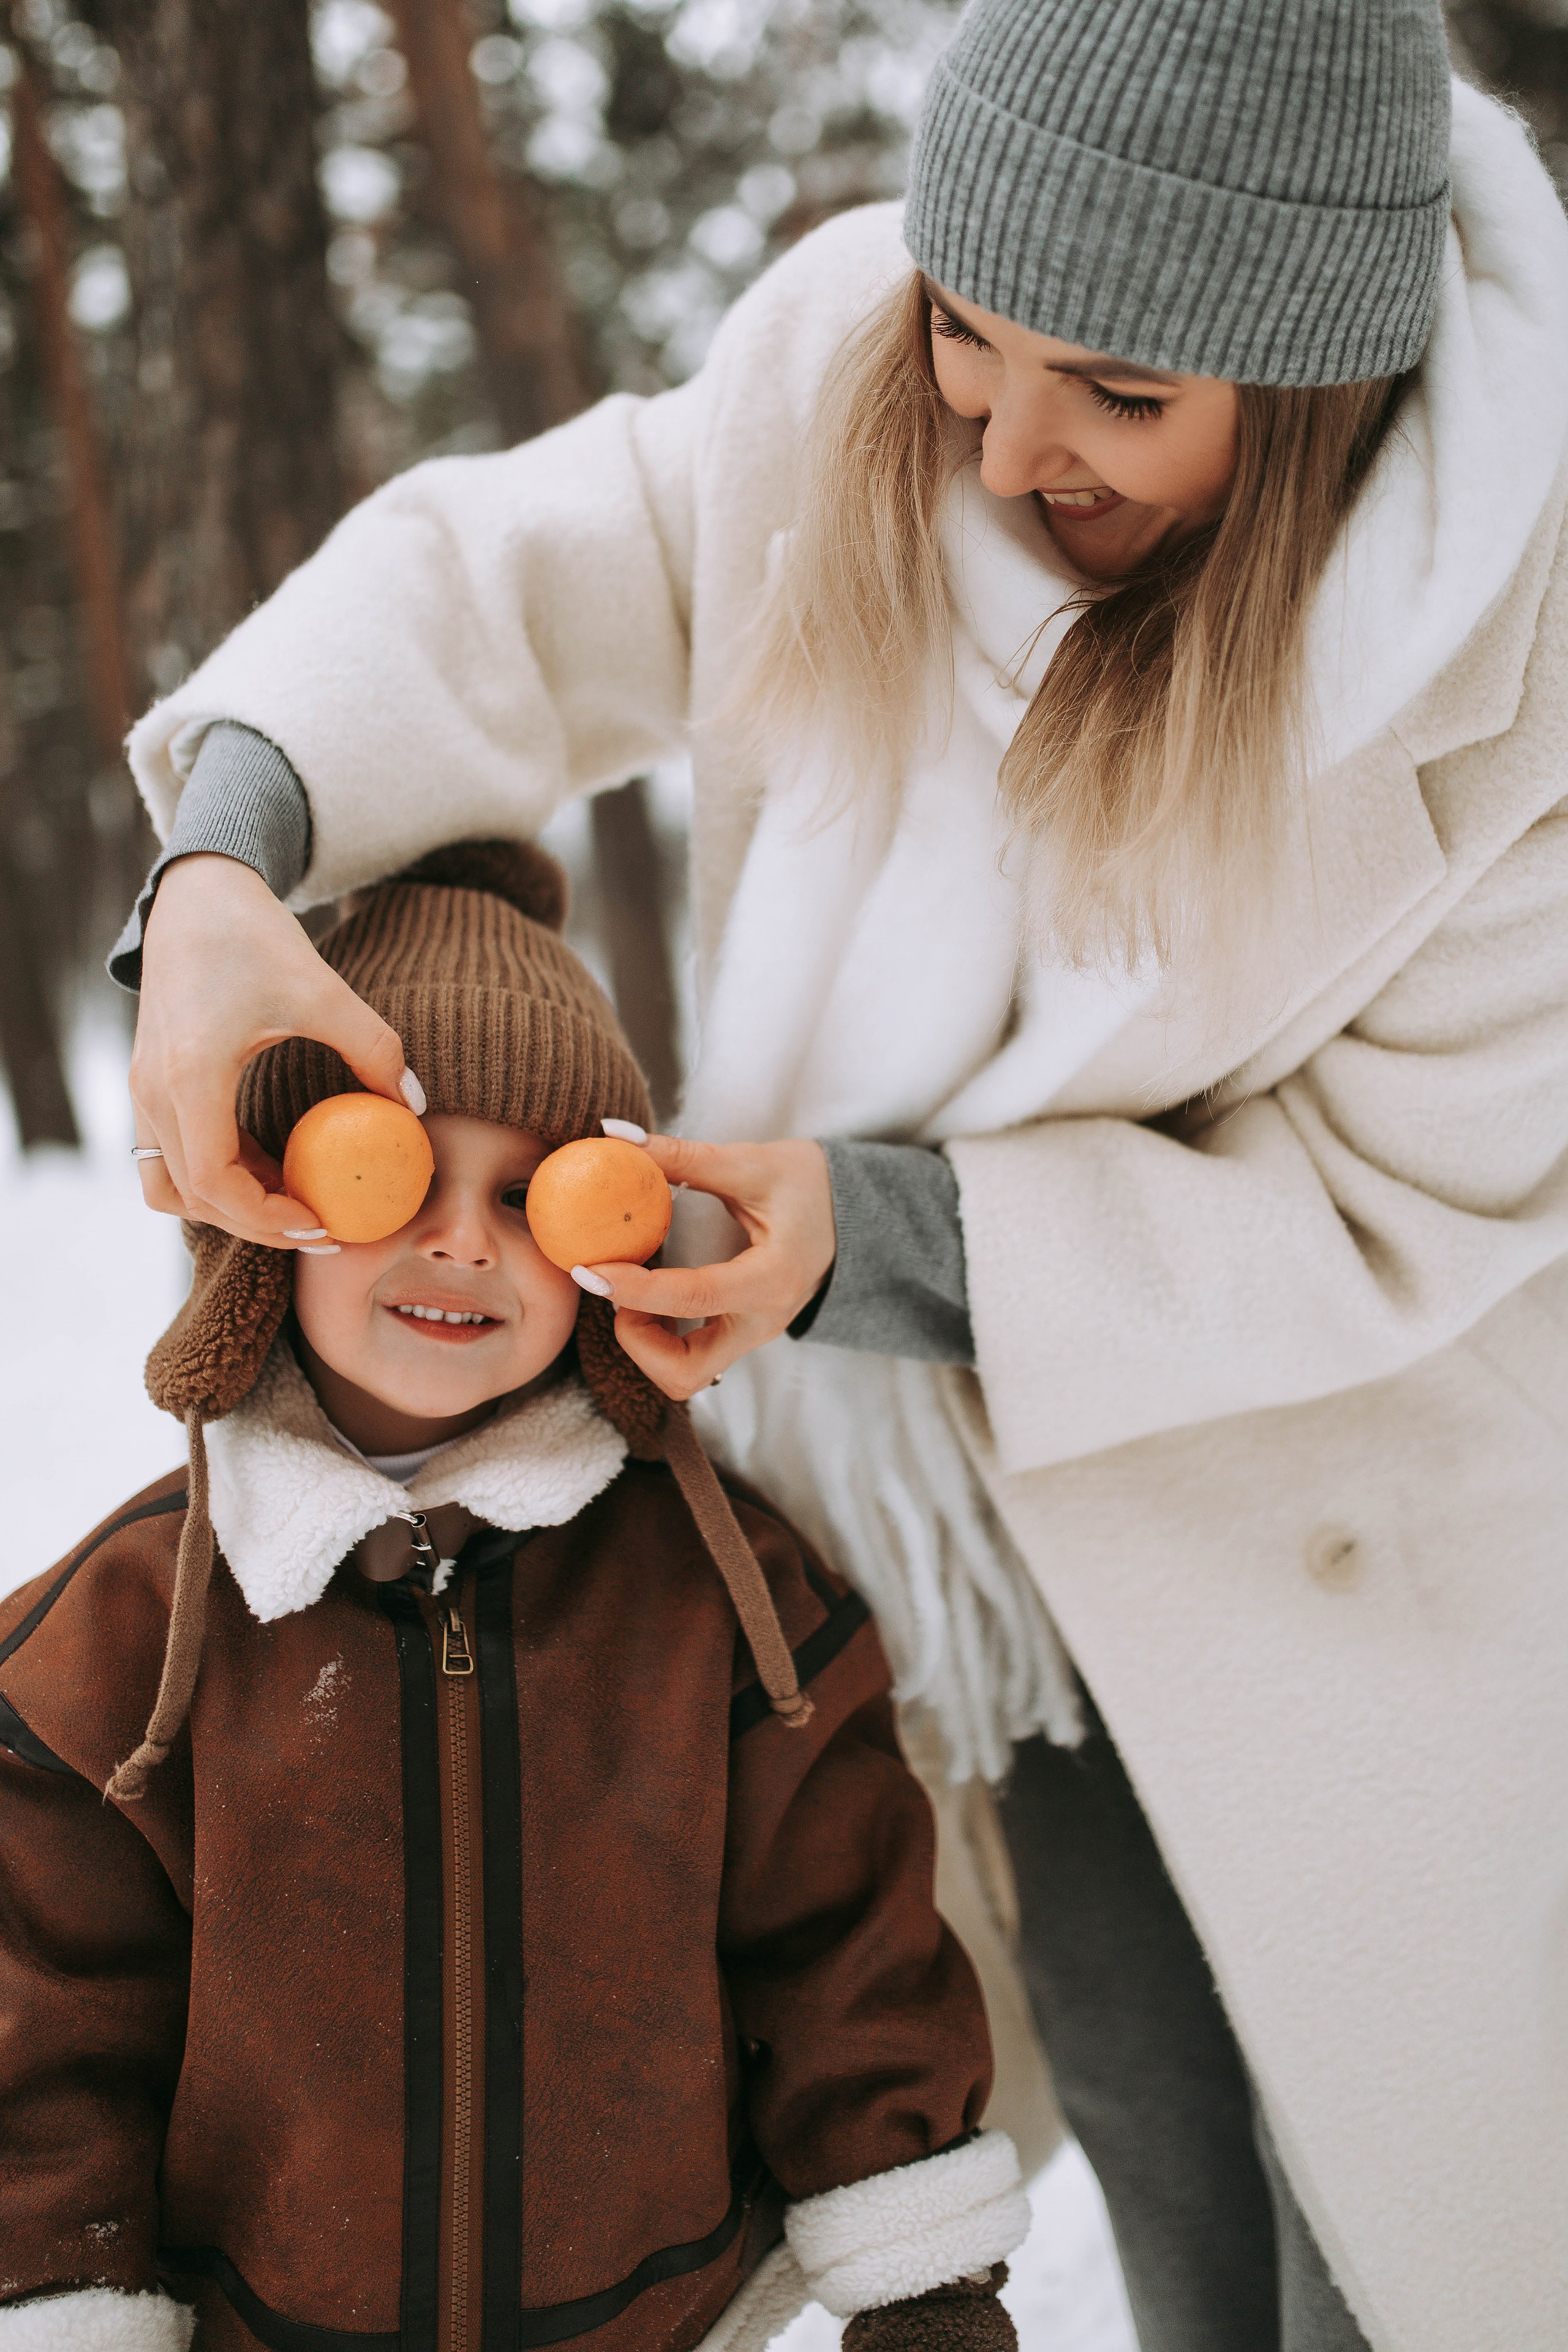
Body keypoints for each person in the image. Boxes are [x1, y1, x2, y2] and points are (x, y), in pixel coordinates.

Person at [105, 0, 1568, 2343]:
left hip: (1309, 1498)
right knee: (1047, 2100)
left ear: (1315, 389)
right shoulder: (845, 410)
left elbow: (1403, 1209)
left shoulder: (1521, 680)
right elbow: (504, 584)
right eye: (969, 335)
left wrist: (882, 1234)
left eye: (1116, 394)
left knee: (1366, 2211)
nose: (1002, 446)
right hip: (919, 1503)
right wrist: (219, 878)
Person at [0, 842, 1032, 2352]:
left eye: (532, 1194)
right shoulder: (117, 1641)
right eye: (394, 1171)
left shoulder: (723, 1600)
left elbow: (845, 1951)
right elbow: (52, 2036)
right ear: (269, 1202)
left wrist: (918, 2280)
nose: (464, 1240)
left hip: (656, 2319)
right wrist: (72, 2301)